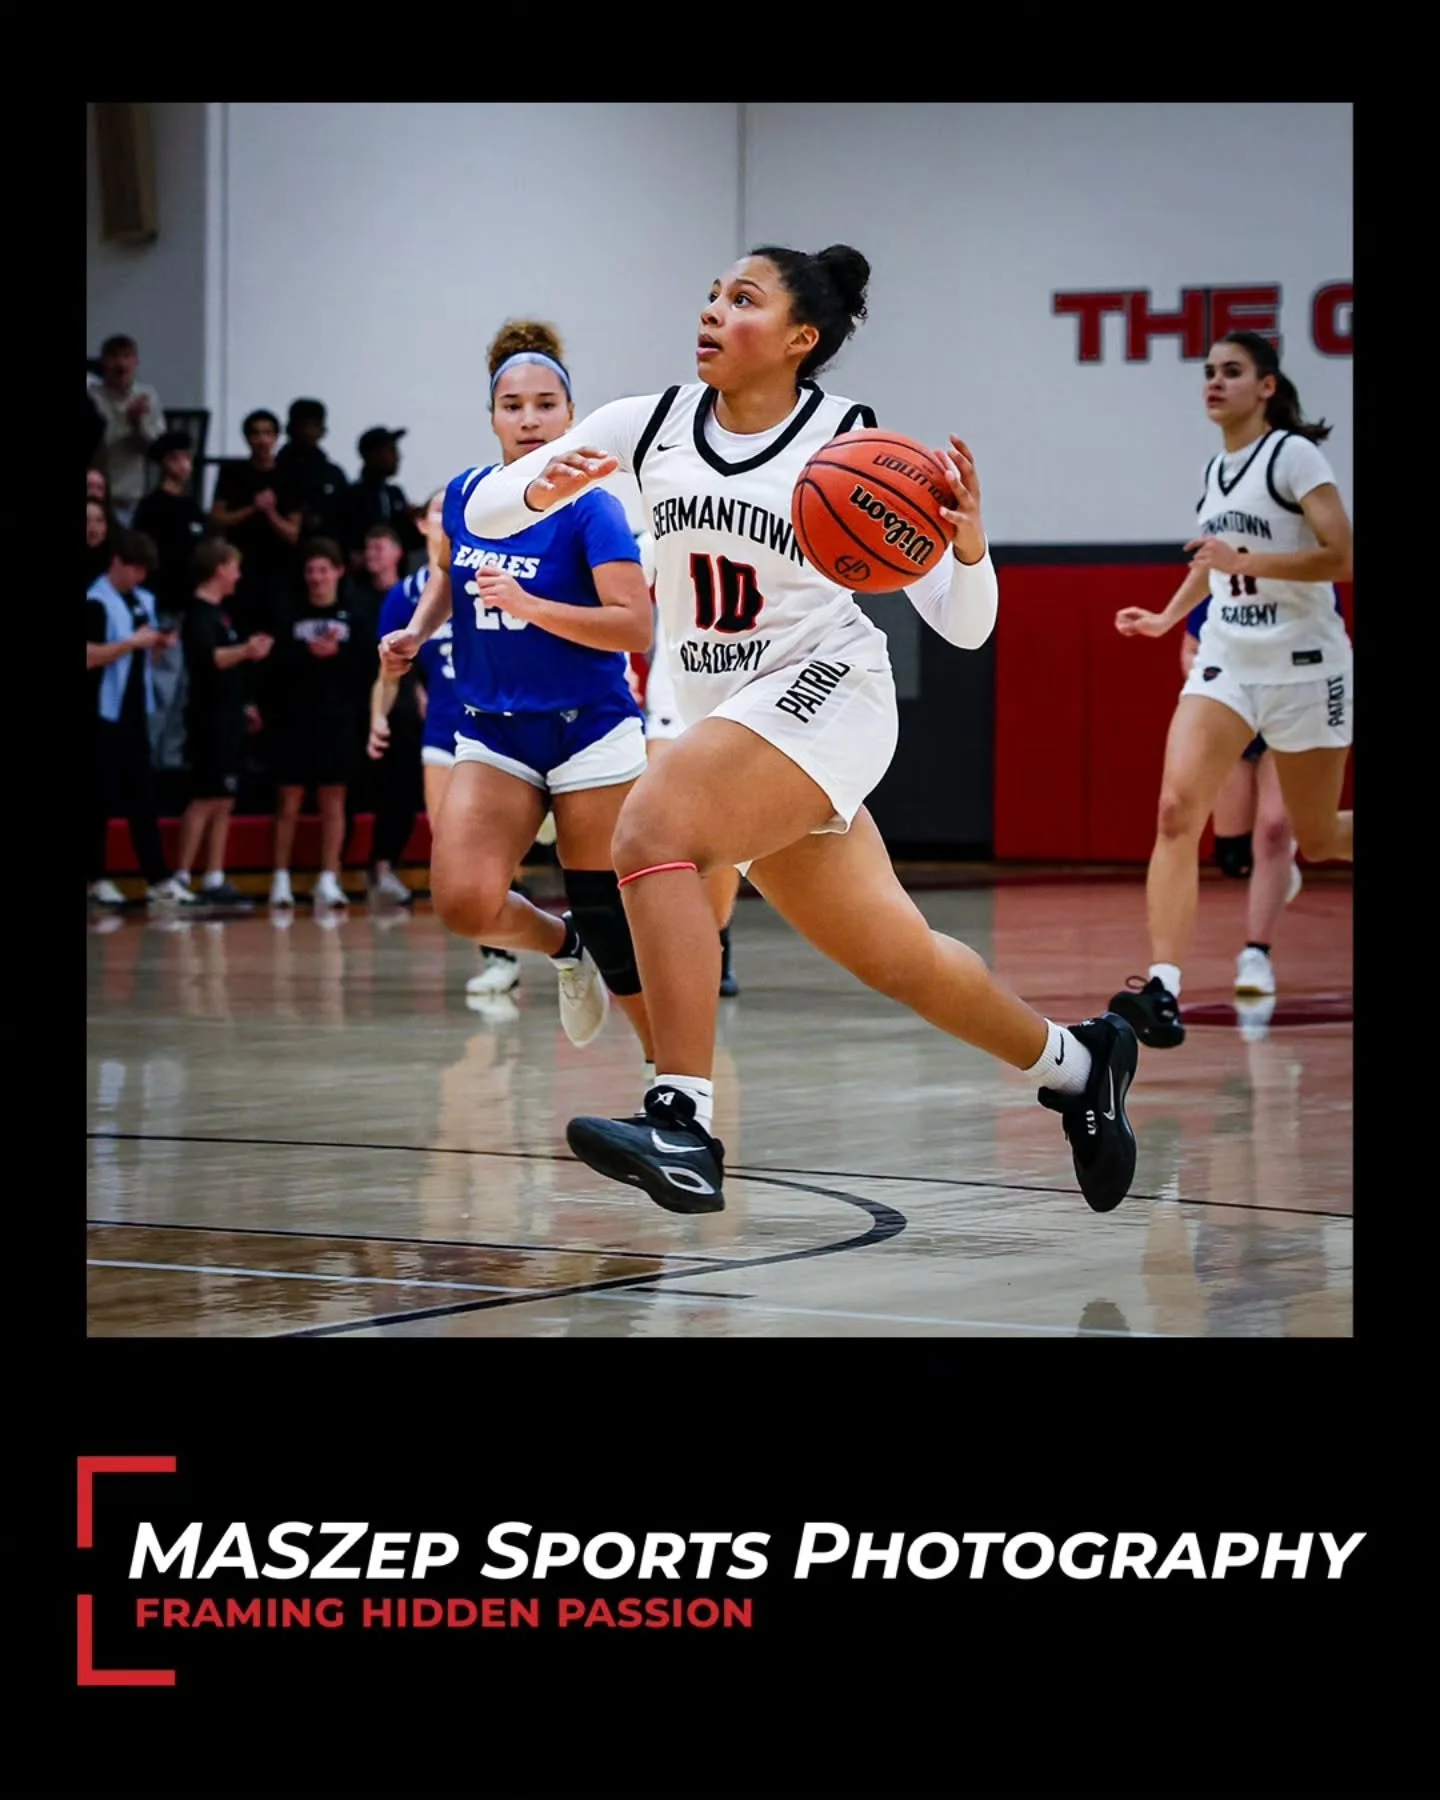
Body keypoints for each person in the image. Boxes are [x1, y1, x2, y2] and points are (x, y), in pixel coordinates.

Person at [457, 243, 1139, 1217]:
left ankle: (680, 1118)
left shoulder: (854, 447)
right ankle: (1080, 1063)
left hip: (827, 691)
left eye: (741, 299)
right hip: (727, 718)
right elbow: (490, 500)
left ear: (799, 338)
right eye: (710, 294)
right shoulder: (644, 425)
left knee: (650, 829)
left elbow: (966, 622)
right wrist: (538, 486)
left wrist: (972, 546)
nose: (710, 310)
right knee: (900, 958)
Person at [379, 319, 657, 1060]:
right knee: (465, 903)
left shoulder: (593, 505)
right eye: (513, 406)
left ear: (571, 414)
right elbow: (447, 575)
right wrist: (418, 627)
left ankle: (671, 1084)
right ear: (493, 416)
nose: (529, 419)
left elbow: (635, 626)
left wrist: (532, 607)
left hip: (588, 727)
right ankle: (563, 948)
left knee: (611, 914)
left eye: (545, 405)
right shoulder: (469, 494)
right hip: (494, 728)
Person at [1111, 330, 1353, 1047]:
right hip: (1229, 660)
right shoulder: (1217, 471)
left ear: (1266, 387)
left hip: (1305, 663)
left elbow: (1340, 556)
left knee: (1315, 835)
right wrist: (1166, 617)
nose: (1214, 382)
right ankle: (1163, 987)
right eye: (1209, 372)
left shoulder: (1293, 456)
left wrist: (1243, 556)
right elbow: (1214, 565)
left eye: (1232, 372)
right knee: (1176, 811)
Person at [371, 493, 528, 996]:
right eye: (437, 511)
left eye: (452, 510)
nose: (446, 518)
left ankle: (573, 938)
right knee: (456, 853)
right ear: (422, 525)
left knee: (508, 852)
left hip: (504, 732)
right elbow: (389, 668)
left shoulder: (493, 573)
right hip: (442, 734)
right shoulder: (405, 594)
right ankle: (498, 957)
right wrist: (378, 716)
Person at [1179, 597, 1305, 1005]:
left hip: (1289, 712)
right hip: (1233, 711)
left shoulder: (1306, 583)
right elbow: (1190, 650)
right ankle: (1280, 871)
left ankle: (1256, 954)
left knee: (1273, 828)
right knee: (1234, 857)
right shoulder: (1222, 585)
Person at [633, 529, 741, 996]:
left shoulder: (767, 520)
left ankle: (717, 939)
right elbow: (615, 595)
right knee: (659, 831)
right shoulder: (663, 532)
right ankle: (668, 950)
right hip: (671, 702)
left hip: (739, 700)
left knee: (722, 839)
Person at [86, 530, 196, 909]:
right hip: (101, 713)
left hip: (135, 711)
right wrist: (130, 644)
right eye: (135, 568)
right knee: (97, 798)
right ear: (117, 561)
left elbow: (143, 653)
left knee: (142, 798)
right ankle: (96, 879)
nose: (140, 577)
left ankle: (157, 877)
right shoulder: (95, 601)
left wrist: (159, 645)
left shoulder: (142, 601)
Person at [173, 541, 273, 907]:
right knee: (204, 797)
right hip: (207, 719)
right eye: (233, 567)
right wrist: (247, 650)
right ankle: (180, 877)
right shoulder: (199, 614)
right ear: (218, 569)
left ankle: (213, 876)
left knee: (225, 798)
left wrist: (244, 704)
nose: (238, 574)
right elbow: (208, 659)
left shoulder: (222, 615)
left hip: (229, 716)